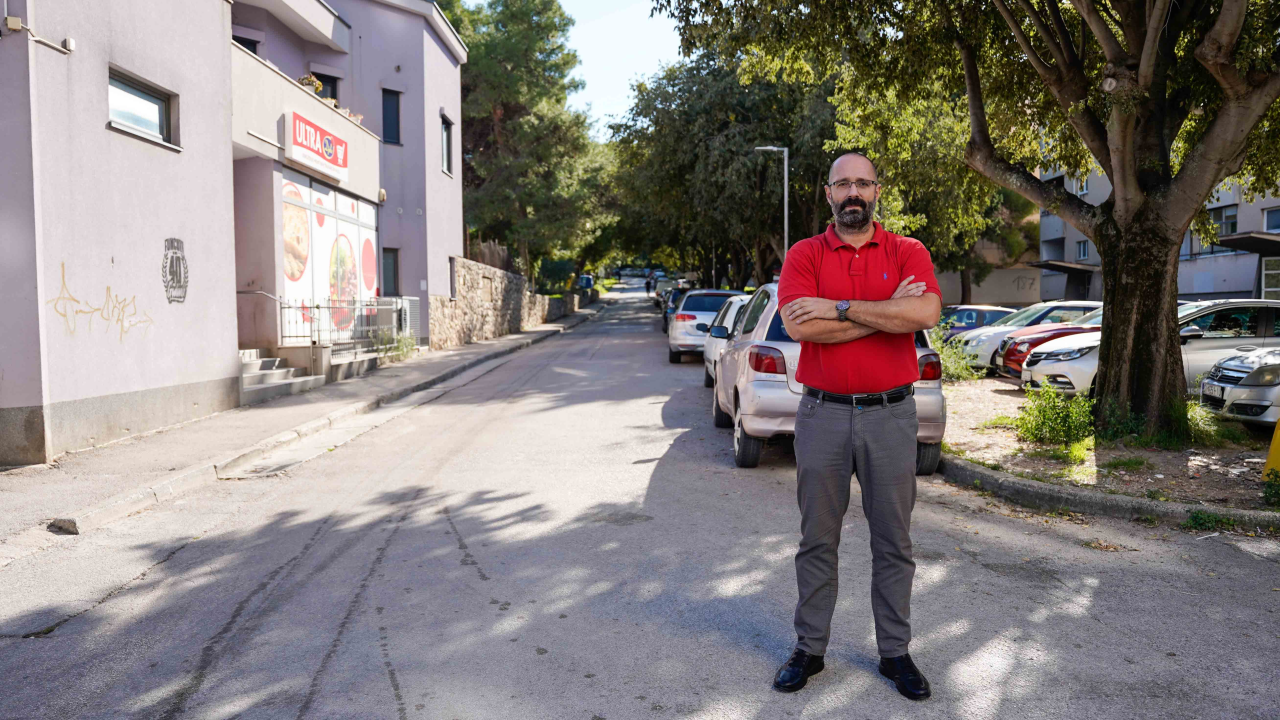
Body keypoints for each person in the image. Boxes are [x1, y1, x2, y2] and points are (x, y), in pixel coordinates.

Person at [771, 152, 941, 702]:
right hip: (822, 414)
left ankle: (895, 653)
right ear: (827, 194)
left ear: (876, 191)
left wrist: (839, 308)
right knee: (816, 539)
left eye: (862, 183)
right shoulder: (804, 253)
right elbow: (803, 328)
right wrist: (882, 310)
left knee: (894, 541)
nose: (853, 192)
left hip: (892, 414)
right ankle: (809, 648)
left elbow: (924, 316)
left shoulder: (907, 250)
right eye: (843, 183)